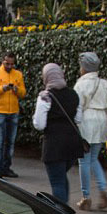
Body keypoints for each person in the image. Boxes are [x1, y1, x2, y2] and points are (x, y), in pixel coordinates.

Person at [32, 63, 84, 204]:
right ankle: (66, 212)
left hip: (54, 145)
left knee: (57, 182)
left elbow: (39, 124)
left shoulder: (45, 97)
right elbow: (79, 119)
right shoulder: (74, 94)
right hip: (72, 144)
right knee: (61, 178)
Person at [73, 52, 107, 211]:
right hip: (101, 122)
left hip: (86, 122)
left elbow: (77, 107)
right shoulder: (104, 83)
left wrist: (75, 126)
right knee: (93, 158)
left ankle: (86, 197)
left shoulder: (80, 84)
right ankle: (103, 189)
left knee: (83, 160)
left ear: (84, 67)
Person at [0, 52, 26, 178]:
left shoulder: (18, 74)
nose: (9, 66)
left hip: (13, 111)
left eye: (12, 64)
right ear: (2, 61)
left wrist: (16, 90)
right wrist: (2, 89)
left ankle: (7, 168)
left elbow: (23, 93)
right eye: (7, 63)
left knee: (10, 142)